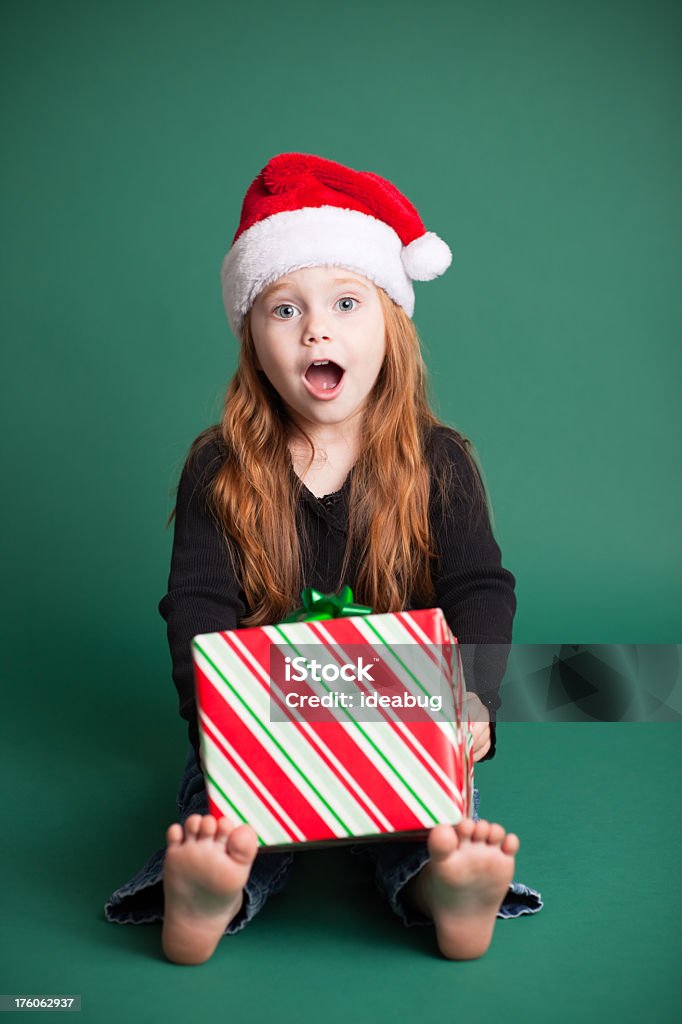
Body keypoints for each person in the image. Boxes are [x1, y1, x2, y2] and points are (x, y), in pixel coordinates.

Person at [104, 152, 543, 964]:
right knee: (227, 815)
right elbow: (197, 610)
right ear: (253, 341)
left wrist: (475, 701)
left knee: (428, 812)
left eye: (346, 302)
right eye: (284, 310)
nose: (317, 329)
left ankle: (445, 889)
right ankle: (207, 894)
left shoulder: (438, 460)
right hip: (269, 714)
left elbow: (479, 584)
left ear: (390, 325)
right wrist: (223, 731)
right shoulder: (220, 466)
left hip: (398, 712)